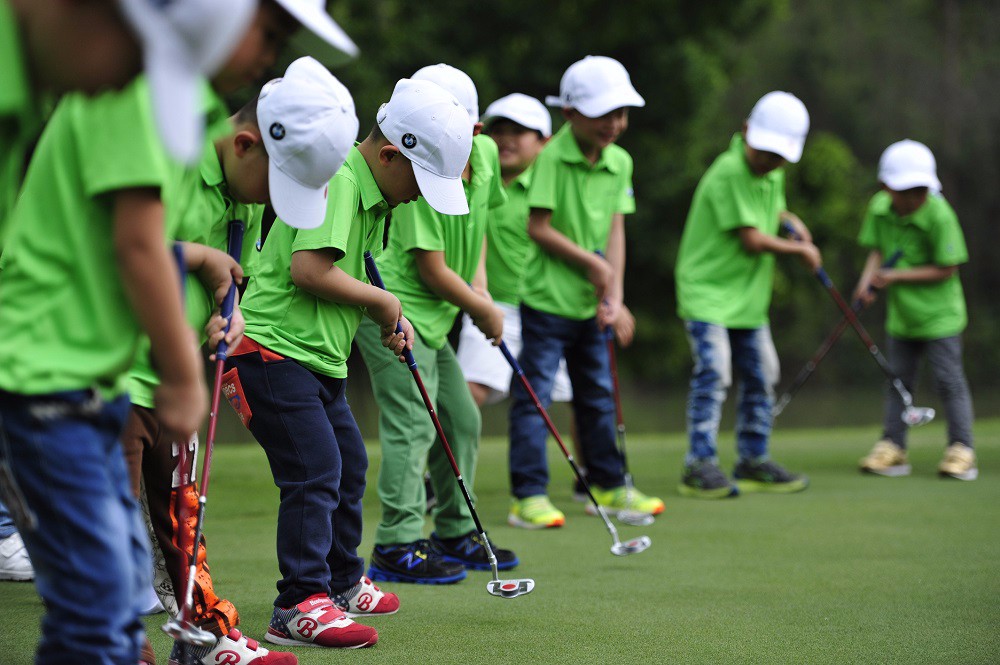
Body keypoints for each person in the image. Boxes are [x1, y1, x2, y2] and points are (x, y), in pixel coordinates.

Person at [122, 55, 356, 665]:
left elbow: (233, 279)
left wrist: (232, 306)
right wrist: (198, 259)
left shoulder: (245, 190)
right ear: (247, 143)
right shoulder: (163, 151)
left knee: (183, 524)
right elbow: (105, 246)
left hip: (170, 380)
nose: (276, 207)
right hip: (105, 375)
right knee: (109, 539)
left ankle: (203, 635)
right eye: (280, 190)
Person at [222, 75, 470, 644]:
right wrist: (386, 302)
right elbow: (308, 271)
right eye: (419, 181)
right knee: (314, 471)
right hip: (269, 351)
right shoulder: (339, 178)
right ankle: (298, 605)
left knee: (349, 463)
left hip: (315, 359)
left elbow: (341, 276)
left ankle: (337, 583)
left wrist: (389, 314)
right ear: (389, 155)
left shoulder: (373, 193)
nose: (418, 196)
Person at [354, 64, 519, 584]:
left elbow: (484, 225)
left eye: (469, 135)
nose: (463, 145)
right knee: (412, 421)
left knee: (463, 418)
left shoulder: (483, 156)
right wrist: (482, 308)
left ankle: (453, 528)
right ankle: (397, 543)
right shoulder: (419, 168)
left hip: (439, 313)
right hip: (393, 307)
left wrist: (482, 286)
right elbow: (431, 267)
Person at [507, 55, 663, 528]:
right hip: (546, 303)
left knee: (597, 395)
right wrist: (592, 265)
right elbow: (539, 227)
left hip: (590, 306)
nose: (615, 124)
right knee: (535, 400)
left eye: (621, 114)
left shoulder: (620, 162)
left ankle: (609, 485)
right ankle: (528, 496)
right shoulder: (552, 156)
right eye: (604, 114)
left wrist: (612, 292)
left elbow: (616, 230)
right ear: (571, 113)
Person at [674, 90, 821, 499]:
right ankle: (698, 464)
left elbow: (769, 214)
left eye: (779, 157)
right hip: (707, 293)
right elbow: (752, 238)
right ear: (745, 132)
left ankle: (753, 460)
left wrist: (789, 220)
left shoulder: (770, 172)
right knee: (715, 373)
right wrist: (802, 251)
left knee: (763, 374)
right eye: (766, 153)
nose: (770, 162)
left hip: (747, 298)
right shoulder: (728, 171)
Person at [854, 140, 976, 481]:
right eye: (909, 190)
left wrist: (894, 276)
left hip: (941, 317)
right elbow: (877, 251)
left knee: (949, 382)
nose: (917, 197)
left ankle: (961, 449)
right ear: (887, 188)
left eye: (922, 189)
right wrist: (866, 284)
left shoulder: (939, 214)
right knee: (897, 383)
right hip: (902, 318)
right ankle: (893, 447)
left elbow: (948, 267)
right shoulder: (879, 209)